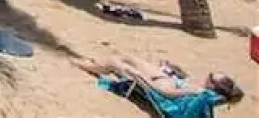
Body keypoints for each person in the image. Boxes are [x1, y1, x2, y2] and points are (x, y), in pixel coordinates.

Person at [73, 56, 243, 109]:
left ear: (213, 86)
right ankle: (94, 64)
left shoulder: (198, 94)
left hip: (156, 84)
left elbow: (165, 93)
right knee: (128, 58)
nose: (208, 76)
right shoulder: (204, 94)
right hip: (164, 78)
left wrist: (140, 77)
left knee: (114, 63)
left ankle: (85, 65)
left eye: (211, 76)